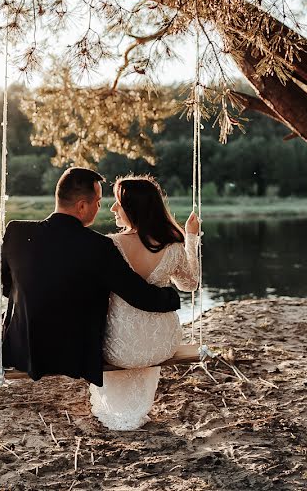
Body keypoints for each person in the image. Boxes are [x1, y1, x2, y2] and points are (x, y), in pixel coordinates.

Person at [0, 167, 181, 387]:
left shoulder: (16, 231)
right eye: (97, 202)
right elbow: (138, 295)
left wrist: (26, 297)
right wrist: (171, 297)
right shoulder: (100, 246)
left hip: (21, 349)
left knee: (0, 329)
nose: (99, 207)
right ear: (82, 206)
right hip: (74, 354)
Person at [88, 174, 200, 430]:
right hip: (163, 344)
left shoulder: (110, 245)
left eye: (118, 202)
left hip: (120, 348)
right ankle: (136, 407)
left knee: (114, 335)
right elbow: (189, 284)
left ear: (133, 208)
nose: (113, 208)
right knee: (141, 337)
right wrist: (191, 238)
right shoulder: (172, 246)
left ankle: (121, 409)